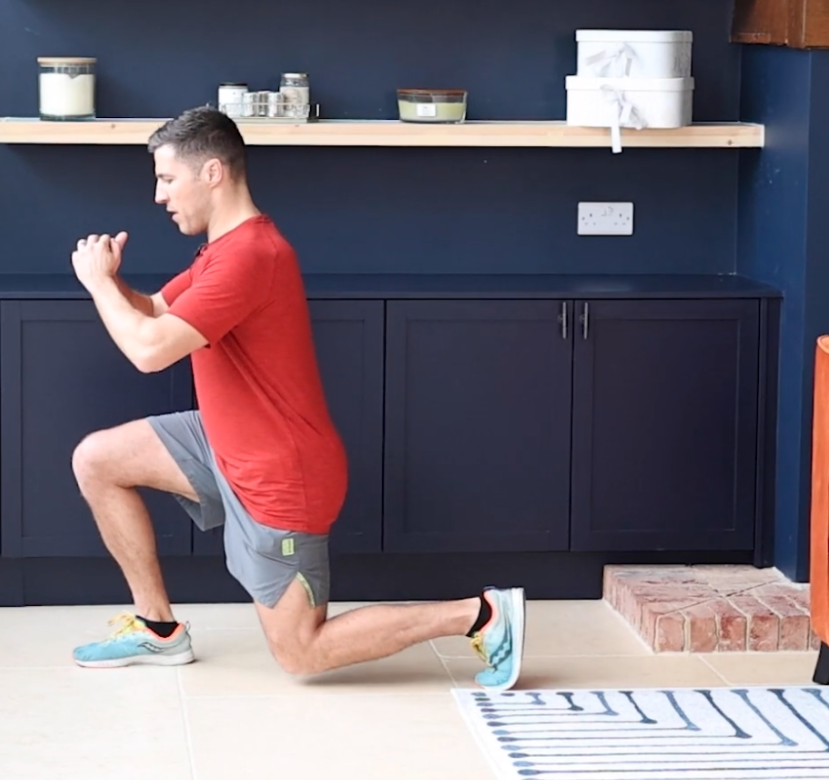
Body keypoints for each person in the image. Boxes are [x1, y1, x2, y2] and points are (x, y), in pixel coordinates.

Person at [65, 106, 525, 689]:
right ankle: (158, 629)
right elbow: (154, 311)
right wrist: (113, 282)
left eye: (168, 179)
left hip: (280, 473)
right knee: (98, 459)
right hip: (226, 439)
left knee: (301, 652)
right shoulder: (222, 252)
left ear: (212, 173)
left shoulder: (252, 256)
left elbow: (149, 350)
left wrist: (98, 284)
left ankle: (481, 615)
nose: (159, 196)